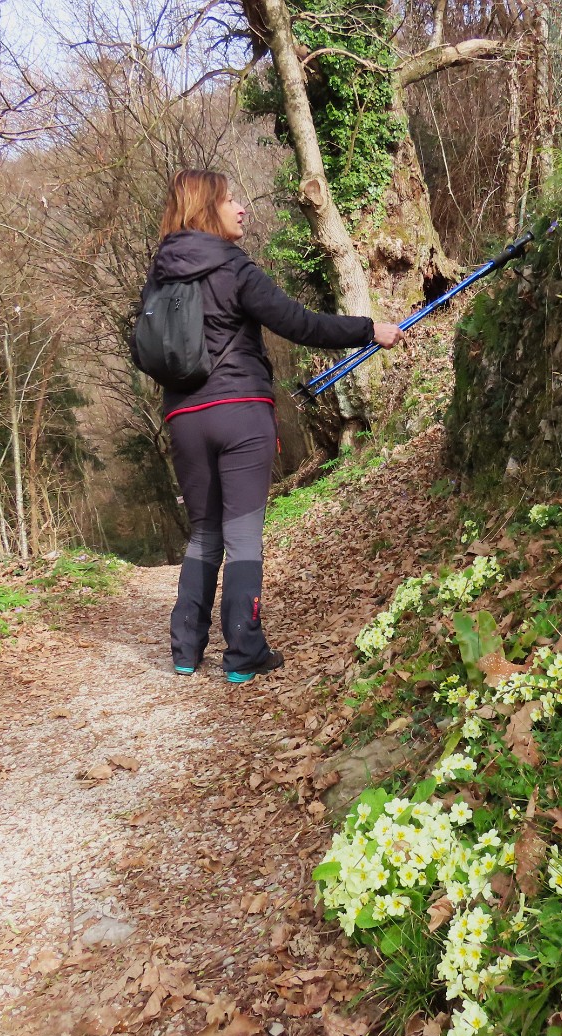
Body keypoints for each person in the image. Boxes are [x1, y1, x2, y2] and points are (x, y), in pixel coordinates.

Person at [142, 169, 403, 683]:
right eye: (231, 199)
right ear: (206, 209)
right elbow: (297, 322)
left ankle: (185, 651)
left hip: (183, 417)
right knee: (242, 536)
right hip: (240, 411)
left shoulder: (161, 275)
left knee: (203, 533)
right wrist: (369, 330)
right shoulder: (231, 266)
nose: (241, 208)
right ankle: (243, 654)